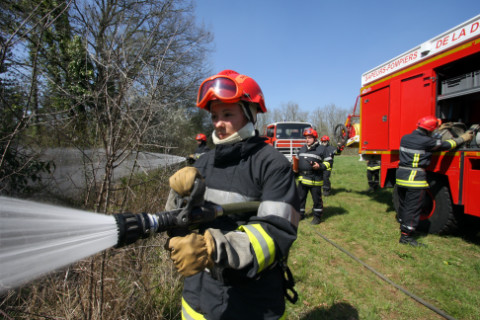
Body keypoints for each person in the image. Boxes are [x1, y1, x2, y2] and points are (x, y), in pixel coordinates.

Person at [165, 69, 301, 319]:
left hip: (250, 301)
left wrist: (214, 248)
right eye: (215, 115)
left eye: (227, 114)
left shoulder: (272, 165)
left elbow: (275, 233)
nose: (218, 122)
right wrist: (176, 195)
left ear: (249, 115)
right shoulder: (203, 163)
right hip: (197, 295)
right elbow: (177, 222)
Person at [396, 115, 473, 246]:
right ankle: (406, 236)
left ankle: (403, 223)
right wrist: (463, 138)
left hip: (401, 176)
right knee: (413, 208)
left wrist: (435, 133)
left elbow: (427, 141)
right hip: (414, 179)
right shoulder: (427, 142)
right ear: (430, 129)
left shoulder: (406, 138)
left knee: (404, 205)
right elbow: (448, 144)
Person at [296, 128, 331, 224]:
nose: (307, 140)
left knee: (316, 200)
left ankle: (317, 217)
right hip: (302, 179)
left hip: (315, 179)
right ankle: (300, 214)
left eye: (310, 138)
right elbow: (297, 160)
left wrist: (320, 166)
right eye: (306, 138)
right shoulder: (302, 149)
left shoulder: (322, 149)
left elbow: (329, 163)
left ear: (315, 138)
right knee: (300, 198)